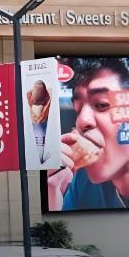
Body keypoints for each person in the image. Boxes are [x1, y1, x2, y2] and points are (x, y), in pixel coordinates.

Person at [47, 57, 129, 211]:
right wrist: (52, 190)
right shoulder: (83, 178)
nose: (82, 120)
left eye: (101, 105)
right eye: (78, 109)